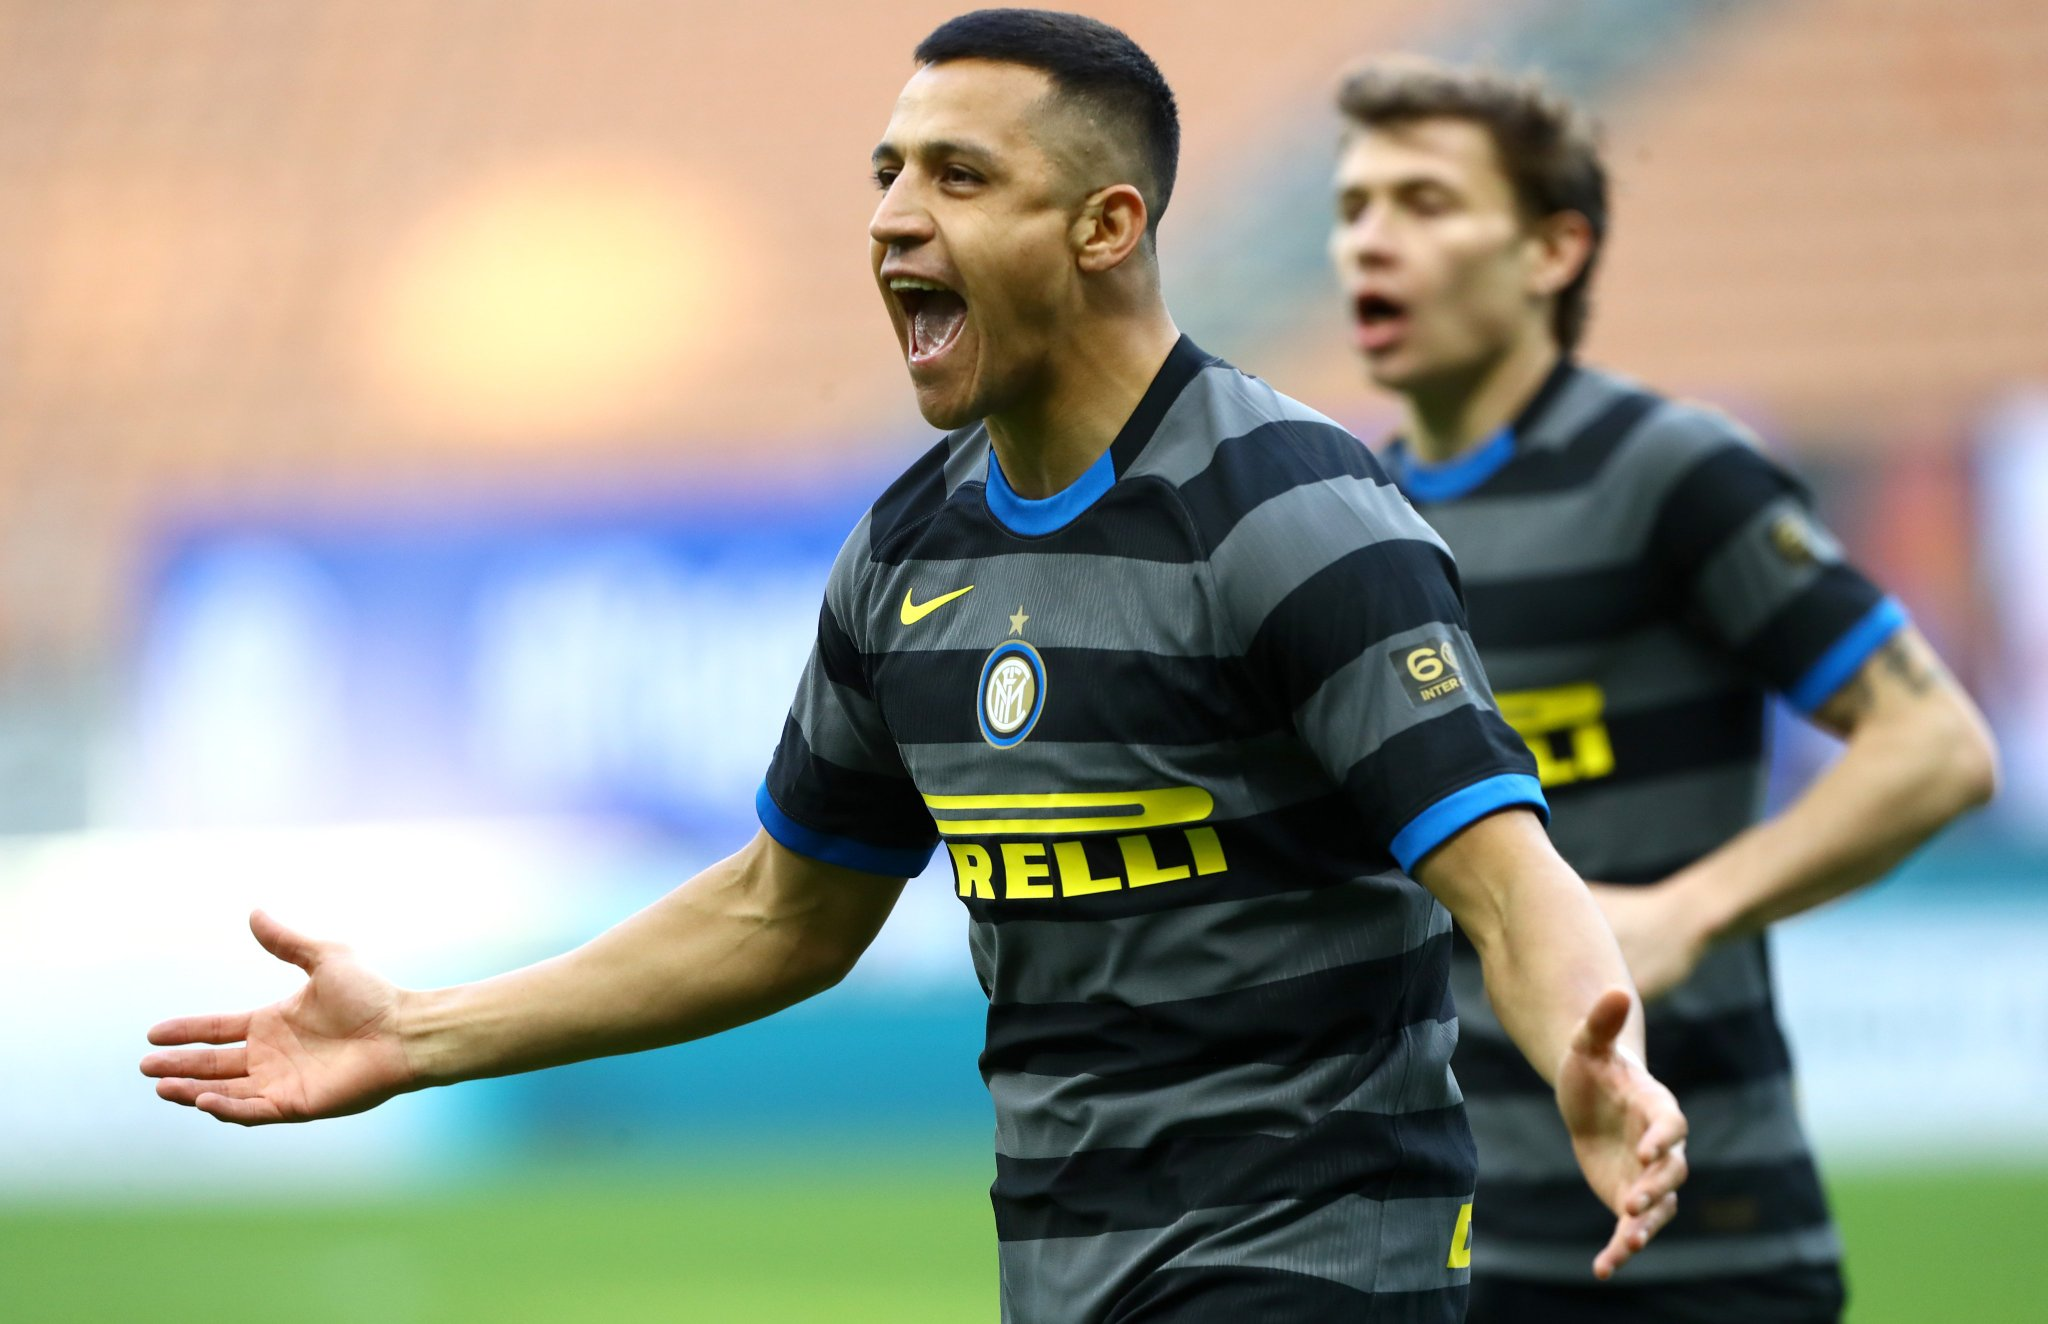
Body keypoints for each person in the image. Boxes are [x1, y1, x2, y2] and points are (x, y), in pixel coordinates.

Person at [142, 13, 1688, 1321]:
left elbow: (1501, 869)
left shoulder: (1295, 517)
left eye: (960, 175)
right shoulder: (907, 554)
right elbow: (778, 912)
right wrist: (417, 1035)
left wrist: (1587, 1050)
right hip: (1064, 1269)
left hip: (1318, 1257)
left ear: (1105, 228)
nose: (893, 214)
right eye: (887, 171)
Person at [1327, 57, 1999, 1324]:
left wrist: (1687, 911)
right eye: (1354, 205)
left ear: (1551, 249)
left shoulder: (1668, 471)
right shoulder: (1342, 517)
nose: (1371, 239)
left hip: (1706, 1243)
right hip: (1442, 1244)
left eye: (1423, 203)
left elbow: (1935, 745)